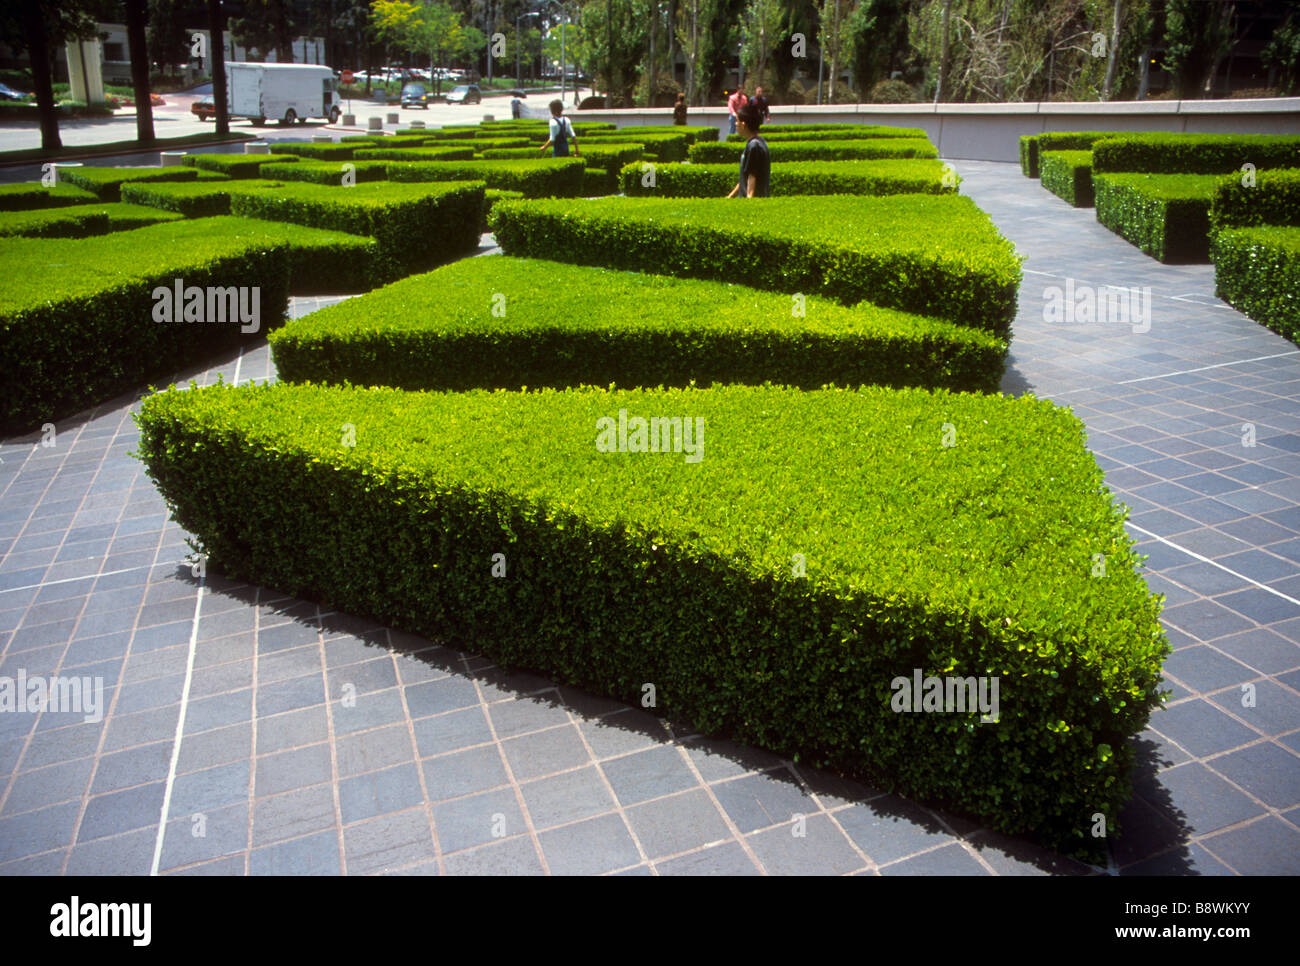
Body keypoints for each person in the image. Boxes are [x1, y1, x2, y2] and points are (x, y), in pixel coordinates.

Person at [726, 101, 769, 198]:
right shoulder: (757, 143)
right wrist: (730, 197)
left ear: (743, 124)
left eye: (737, 121)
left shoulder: (754, 146)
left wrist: (749, 201)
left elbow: (751, 177)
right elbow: (744, 179)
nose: (736, 124)